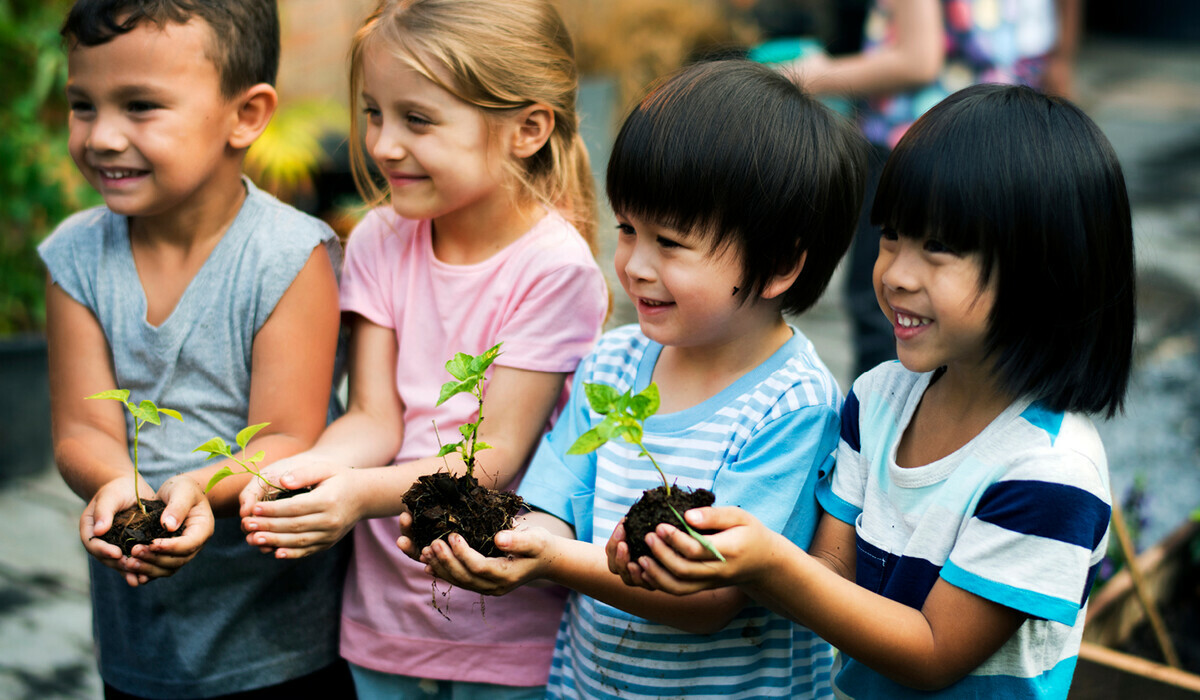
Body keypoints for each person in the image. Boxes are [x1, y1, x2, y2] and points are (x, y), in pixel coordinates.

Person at [625, 84, 1135, 699]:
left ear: (1045, 271)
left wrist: (769, 563)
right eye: (891, 235)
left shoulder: (1049, 472)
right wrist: (717, 559)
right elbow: (834, 577)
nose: (894, 273)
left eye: (938, 247)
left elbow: (932, 652)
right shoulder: (880, 400)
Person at [406, 59, 869, 699]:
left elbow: (710, 598)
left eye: (671, 243)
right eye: (626, 229)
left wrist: (553, 563)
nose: (635, 266)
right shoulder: (613, 364)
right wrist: (501, 545)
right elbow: (556, 509)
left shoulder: (793, 405)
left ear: (780, 265)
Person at [235, 0, 608, 697]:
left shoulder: (554, 270)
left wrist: (350, 498)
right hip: (385, 609)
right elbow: (376, 418)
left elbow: (490, 463)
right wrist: (305, 476)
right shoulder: (380, 238)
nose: (382, 145)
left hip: (501, 610)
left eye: (418, 119)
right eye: (374, 112)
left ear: (528, 128)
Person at [39, 0, 351, 697]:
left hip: (279, 639)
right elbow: (84, 427)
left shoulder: (287, 255)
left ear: (246, 115)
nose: (103, 136)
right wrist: (116, 487)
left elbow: (291, 434)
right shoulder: (76, 259)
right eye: (83, 105)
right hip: (140, 635)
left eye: (141, 106)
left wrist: (200, 487)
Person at [783, 0, 1082, 378]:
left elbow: (917, 60)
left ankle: (886, 426)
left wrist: (803, 76)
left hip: (911, 144)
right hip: (999, 148)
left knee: (882, 312)